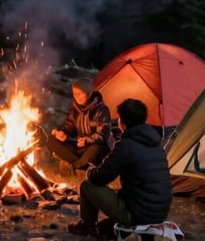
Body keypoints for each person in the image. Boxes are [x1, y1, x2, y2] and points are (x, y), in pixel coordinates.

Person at [68, 98, 173, 237]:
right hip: (160, 213)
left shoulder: (127, 145)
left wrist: (91, 170)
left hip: (137, 214)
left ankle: (87, 226)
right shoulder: (155, 143)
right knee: (105, 227)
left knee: (87, 186)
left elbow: (100, 178)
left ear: (122, 122)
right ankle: (112, 228)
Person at [46, 77, 119, 175]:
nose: (77, 97)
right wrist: (62, 133)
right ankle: (80, 164)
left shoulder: (101, 110)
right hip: (79, 146)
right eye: (74, 94)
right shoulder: (74, 110)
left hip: (95, 146)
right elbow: (69, 127)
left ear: (88, 93)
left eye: (80, 93)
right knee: (52, 141)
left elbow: (102, 134)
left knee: (96, 150)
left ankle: (75, 166)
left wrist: (87, 140)